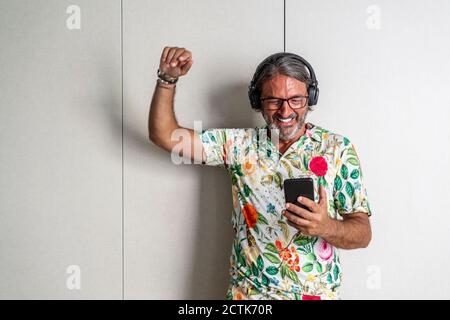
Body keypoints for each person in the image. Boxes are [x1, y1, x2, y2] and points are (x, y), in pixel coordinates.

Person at [148, 46, 372, 300]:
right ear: (258, 102)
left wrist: (325, 226)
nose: (285, 112)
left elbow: (363, 234)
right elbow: (164, 135)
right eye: (274, 101)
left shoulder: (337, 149)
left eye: (295, 100)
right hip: (249, 296)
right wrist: (167, 80)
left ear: (310, 98)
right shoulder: (237, 145)